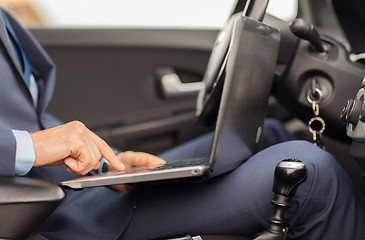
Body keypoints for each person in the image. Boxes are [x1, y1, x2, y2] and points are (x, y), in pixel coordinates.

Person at [1, 8, 365, 240]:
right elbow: (27, 137)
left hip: (71, 187)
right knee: (311, 172)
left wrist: (107, 161)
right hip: (41, 212)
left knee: (268, 134)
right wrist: (26, 148)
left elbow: (24, 117)